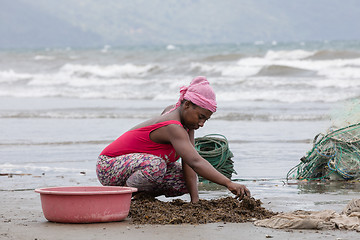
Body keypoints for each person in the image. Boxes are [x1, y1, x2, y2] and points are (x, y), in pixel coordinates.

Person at [96, 76, 250, 203]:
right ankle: (121, 197)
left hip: (133, 169)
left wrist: (195, 200)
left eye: (206, 120)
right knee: (156, 166)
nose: (202, 124)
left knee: (185, 181)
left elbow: (189, 162)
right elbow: (197, 161)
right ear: (187, 105)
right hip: (108, 166)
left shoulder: (184, 121)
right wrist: (229, 183)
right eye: (201, 117)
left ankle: (141, 196)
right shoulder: (173, 126)